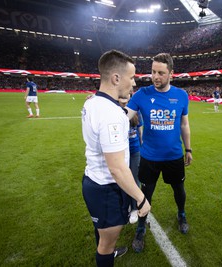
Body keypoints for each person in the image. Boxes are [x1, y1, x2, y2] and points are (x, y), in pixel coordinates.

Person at [81, 50, 151, 267]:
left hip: (94, 180)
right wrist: (140, 198)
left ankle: (107, 252)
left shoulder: (93, 102)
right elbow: (117, 168)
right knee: (106, 245)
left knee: (102, 236)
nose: (134, 83)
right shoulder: (111, 113)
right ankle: (107, 254)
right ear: (116, 78)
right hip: (106, 189)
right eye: (131, 77)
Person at [125, 53, 193, 253]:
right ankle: (140, 227)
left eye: (161, 73)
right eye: (153, 72)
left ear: (171, 73)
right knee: (145, 194)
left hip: (174, 156)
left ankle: (181, 214)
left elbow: (184, 124)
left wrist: (188, 148)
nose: (155, 76)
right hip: (149, 157)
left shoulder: (181, 95)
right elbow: (125, 116)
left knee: (179, 191)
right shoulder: (141, 95)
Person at [118, 94, 143, 224]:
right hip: (120, 152)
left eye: (127, 95)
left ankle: (134, 208)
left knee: (134, 179)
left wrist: (142, 146)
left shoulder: (136, 110)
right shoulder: (115, 110)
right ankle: (123, 209)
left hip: (134, 151)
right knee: (122, 180)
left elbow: (140, 131)